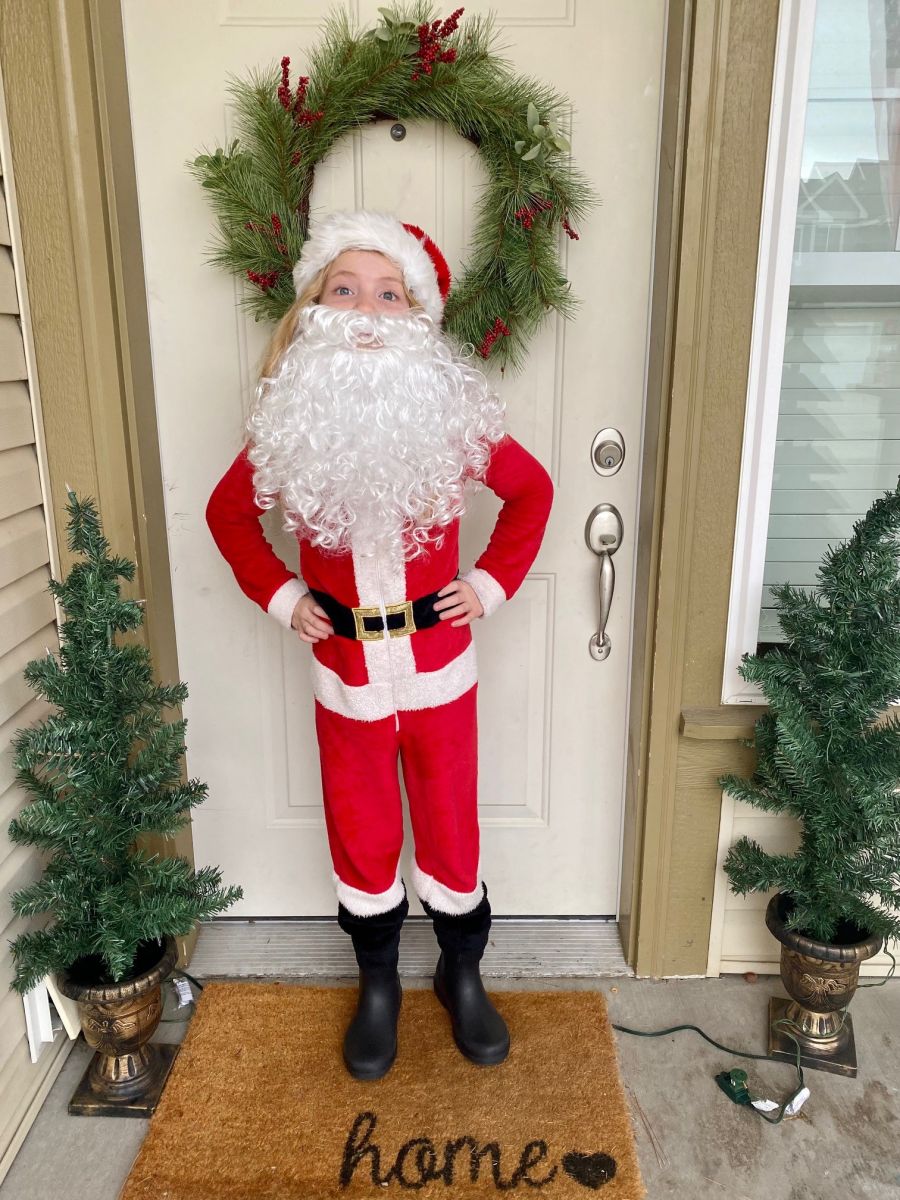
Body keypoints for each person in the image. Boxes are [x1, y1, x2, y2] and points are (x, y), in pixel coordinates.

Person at [205, 210, 554, 1080]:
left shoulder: (448, 420)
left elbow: (532, 493)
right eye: (345, 290)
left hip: (440, 672)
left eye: (388, 293)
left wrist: (487, 583)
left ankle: (461, 972)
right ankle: (378, 985)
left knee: (450, 827)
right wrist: (285, 596)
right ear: (314, 310)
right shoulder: (289, 429)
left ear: (417, 319)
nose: (365, 310)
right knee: (360, 832)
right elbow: (228, 518)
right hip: (347, 678)